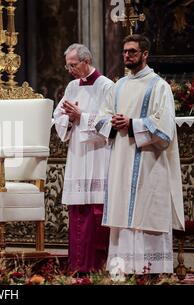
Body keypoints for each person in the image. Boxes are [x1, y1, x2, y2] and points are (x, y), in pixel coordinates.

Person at [95, 34, 185, 276]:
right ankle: (121, 271)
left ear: (145, 54)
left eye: (132, 52)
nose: (127, 55)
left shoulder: (159, 87)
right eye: (125, 51)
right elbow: (101, 117)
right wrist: (112, 122)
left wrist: (133, 123)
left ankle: (151, 272)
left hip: (148, 162)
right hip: (121, 161)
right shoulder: (118, 86)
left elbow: (164, 128)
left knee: (147, 213)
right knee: (122, 214)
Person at [53, 44, 113, 274]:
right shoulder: (71, 86)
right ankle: (78, 266)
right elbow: (58, 116)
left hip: (99, 155)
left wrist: (82, 117)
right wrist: (68, 119)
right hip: (78, 153)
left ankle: (98, 267)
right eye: (67, 65)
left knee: (97, 210)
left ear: (86, 61)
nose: (69, 69)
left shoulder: (107, 86)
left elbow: (110, 123)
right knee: (78, 211)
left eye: (73, 65)